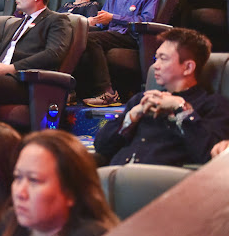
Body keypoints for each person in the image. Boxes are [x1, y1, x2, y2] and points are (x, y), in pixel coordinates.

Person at [95, 28, 229, 166]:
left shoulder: (213, 104)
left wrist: (181, 110)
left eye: (163, 59)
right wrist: (131, 117)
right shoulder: (141, 100)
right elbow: (101, 146)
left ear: (188, 67)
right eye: (155, 58)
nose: (155, 66)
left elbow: (209, 155)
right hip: (118, 175)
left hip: (164, 181)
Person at [0, 130, 118, 236]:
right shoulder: (10, 225)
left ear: (71, 193)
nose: (20, 193)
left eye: (34, 180)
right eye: (18, 177)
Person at [79, 0, 159, 106]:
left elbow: (147, 20)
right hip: (111, 34)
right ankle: (74, 91)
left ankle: (108, 93)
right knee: (78, 36)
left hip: (132, 36)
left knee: (91, 39)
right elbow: (103, 20)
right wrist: (91, 22)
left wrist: (113, 18)